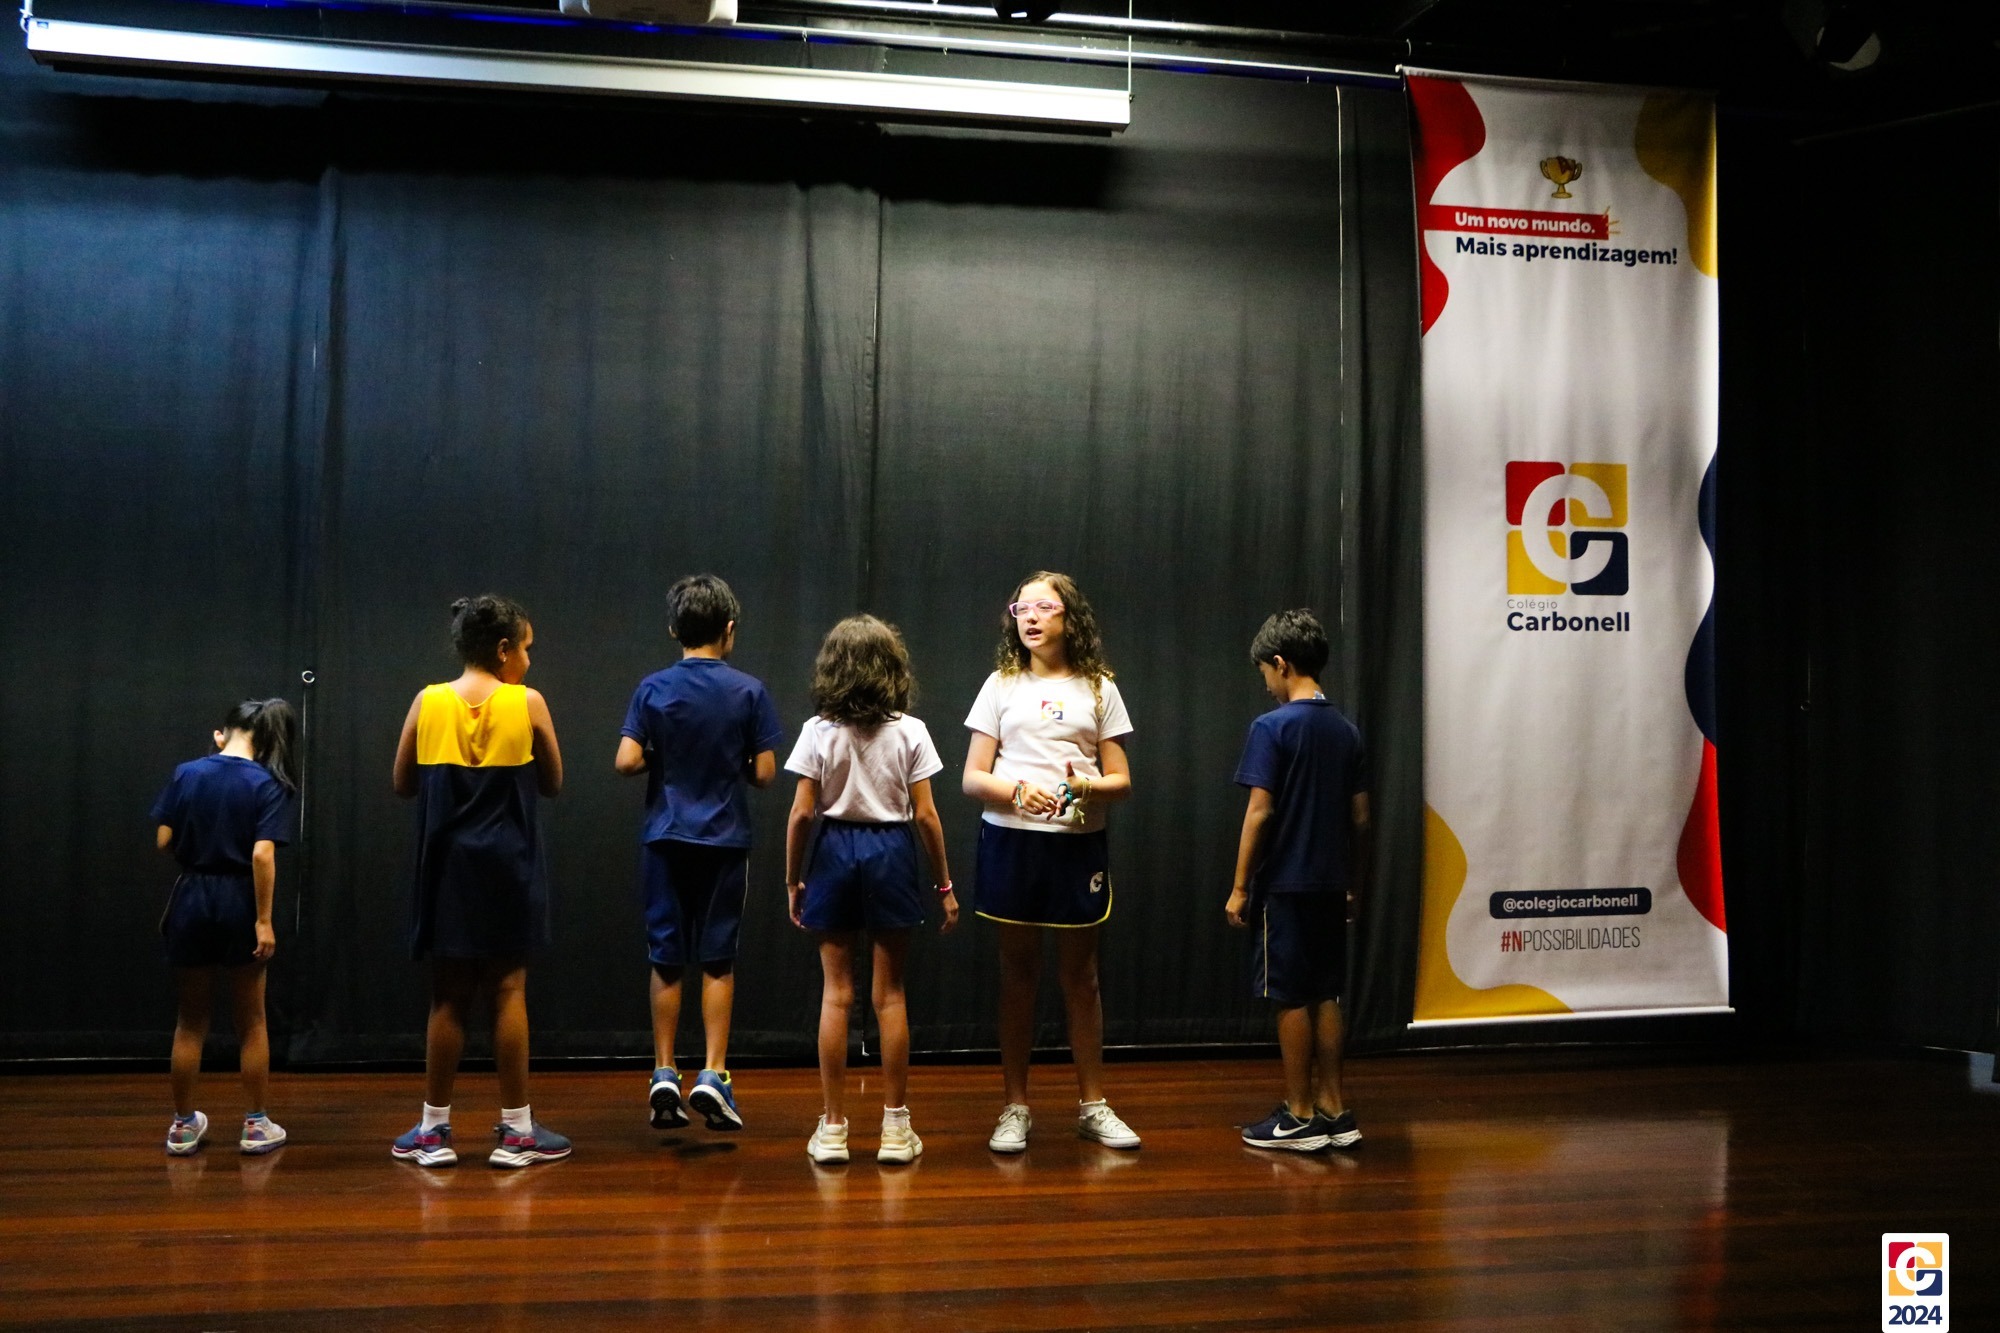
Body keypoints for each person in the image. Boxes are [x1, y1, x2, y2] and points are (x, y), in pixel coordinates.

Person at [962, 571, 1139, 1154]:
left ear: (1069, 616)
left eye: (1044, 607)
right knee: (1018, 976)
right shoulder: (1000, 685)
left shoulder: (1099, 689)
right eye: (1022, 609)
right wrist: (1016, 791)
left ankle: (1093, 1106)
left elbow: (1121, 781)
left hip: (1077, 846)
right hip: (1012, 843)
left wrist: (1087, 787)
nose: (1031, 618)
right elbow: (972, 777)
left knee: (1081, 978)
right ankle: (1015, 1107)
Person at [390, 596, 568, 1169]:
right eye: (527, 649)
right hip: (509, 865)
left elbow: (402, 783)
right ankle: (517, 1133)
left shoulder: (428, 701)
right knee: (509, 991)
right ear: (503, 649)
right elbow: (553, 782)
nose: (530, 661)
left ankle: (432, 1131)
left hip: (447, 869)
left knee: (448, 996)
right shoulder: (528, 702)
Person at [783, 616, 959, 1166]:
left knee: (836, 994)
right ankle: (895, 1130)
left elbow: (801, 813)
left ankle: (834, 1129)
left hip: (833, 850)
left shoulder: (818, 730)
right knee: (890, 995)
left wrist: (793, 879)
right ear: (891, 669)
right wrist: (944, 884)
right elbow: (926, 816)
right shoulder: (911, 731)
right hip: (891, 852)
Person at [616, 574, 784, 1133]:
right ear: (729, 629)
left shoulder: (652, 688)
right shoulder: (749, 691)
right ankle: (713, 1073)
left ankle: (664, 1069)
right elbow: (765, 774)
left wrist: (663, 756)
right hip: (724, 842)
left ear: (674, 629)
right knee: (717, 960)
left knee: (666, 959)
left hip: (664, 838)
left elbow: (625, 760)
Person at [1224, 609, 1368, 1152]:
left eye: (1265, 671)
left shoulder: (1271, 727)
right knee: (1326, 992)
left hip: (1284, 885)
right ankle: (1335, 1109)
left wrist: (1240, 887)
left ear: (1281, 664)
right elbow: (1361, 819)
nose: (1265, 683)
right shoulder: (1347, 731)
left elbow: (1259, 812)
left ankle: (1300, 1116)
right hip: (1331, 884)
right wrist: (1354, 883)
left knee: (1288, 996)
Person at [151, 698, 299, 1156]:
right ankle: (255, 1126)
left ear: (221, 735)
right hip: (240, 900)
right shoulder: (267, 783)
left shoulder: (187, 773)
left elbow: (163, 840)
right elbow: (262, 854)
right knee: (251, 1020)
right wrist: (264, 921)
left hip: (192, 897)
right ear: (266, 742)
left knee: (190, 1021)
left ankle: (182, 1127)